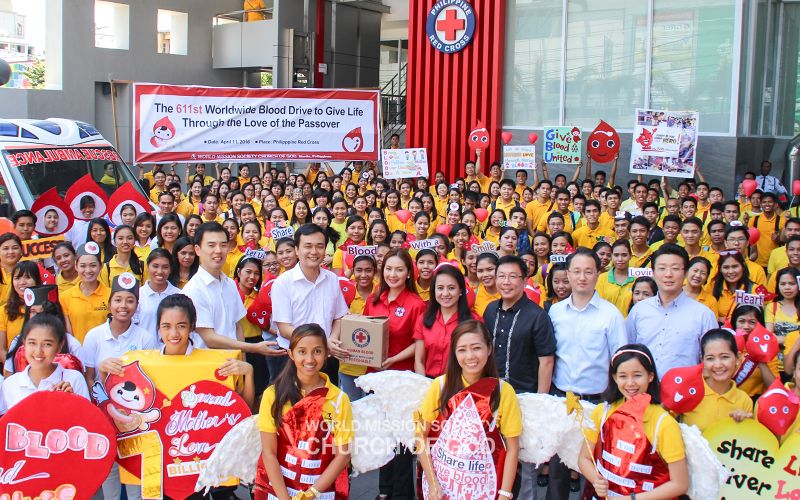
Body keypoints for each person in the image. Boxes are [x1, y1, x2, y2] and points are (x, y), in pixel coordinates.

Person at [546, 248, 628, 498]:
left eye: (588, 272)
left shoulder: (611, 315)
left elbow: (620, 359)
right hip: (563, 398)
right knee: (558, 465)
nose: (582, 277)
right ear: (567, 274)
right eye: (577, 272)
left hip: (598, 401)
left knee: (595, 467)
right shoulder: (555, 311)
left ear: (598, 274)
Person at [417, 320, 520, 500]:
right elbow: (421, 436)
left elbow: (512, 448)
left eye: (476, 348)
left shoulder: (503, 392)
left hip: (484, 488)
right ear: (454, 354)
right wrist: (433, 484)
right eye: (462, 350)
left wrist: (504, 494)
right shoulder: (440, 386)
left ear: (489, 349)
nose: (470, 356)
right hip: (443, 487)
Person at [483, 254, 555, 498]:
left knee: (525, 463)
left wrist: (540, 402)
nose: (506, 281)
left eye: (513, 276)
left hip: (525, 398)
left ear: (525, 281)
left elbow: (546, 361)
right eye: (501, 276)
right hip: (494, 396)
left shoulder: (537, 316)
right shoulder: (491, 310)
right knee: (495, 455)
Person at [254, 324, 352, 500]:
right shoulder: (273, 395)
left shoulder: (338, 399)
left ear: (327, 353)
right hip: (279, 489)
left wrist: (312, 493)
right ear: (291, 354)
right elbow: (269, 452)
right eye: (302, 351)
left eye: (317, 351)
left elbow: (343, 455)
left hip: (321, 490)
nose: (310, 359)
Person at [578, 344, 689, 499]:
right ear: (615, 378)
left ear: (650, 376)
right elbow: (584, 458)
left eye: (637, 375)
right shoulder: (602, 412)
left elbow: (680, 484)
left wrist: (632, 498)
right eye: (623, 376)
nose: (630, 383)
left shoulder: (664, 424)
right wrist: (596, 480)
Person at [364, 248, 426, 500]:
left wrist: (392, 359)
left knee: (402, 440)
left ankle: (402, 494)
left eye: (399, 269)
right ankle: (384, 490)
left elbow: (418, 341)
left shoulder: (417, 304)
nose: (393, 274)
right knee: (382, 435)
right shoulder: (374, 300)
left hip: (402, 377)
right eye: (388, 269)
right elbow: (366, 334)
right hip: (376, 378)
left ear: (408, 273)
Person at [181, 222, 278, 355]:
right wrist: (252, 348)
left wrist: (242, 361)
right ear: (197, 249)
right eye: (211, 245)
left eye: (223, 245)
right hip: (208, 367)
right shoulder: (193, 290)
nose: (218, 250)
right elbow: (209, 338)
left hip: (234, 365)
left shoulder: (230, 284)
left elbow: (237, 327)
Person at [627, 244, 717, 378]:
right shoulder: (639, 311)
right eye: (662, 268)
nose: (668, 274)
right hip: (644, 393)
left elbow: (711, 361)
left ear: (685, 273)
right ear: (653, 272)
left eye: (675, 269)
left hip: (685, 392)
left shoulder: (703, 315)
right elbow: (629, 351)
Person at [272, 224, 350, 371]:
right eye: (308, 246)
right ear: (296, 249)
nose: (314, 252)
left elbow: (339, 316)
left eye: (319, 246)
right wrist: (322, 342)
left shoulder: (332, 279)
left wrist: (332, 339)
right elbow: (284, 329)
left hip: (327, 356)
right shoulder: (283, 283)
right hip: (295, 357)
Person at [1, 314, 89, 413]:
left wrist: (71, 401)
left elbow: (86, 423)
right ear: (24, 343)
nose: (38, 351)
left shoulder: (74, 379)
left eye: (47, 344)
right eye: (32, 343)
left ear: (60, 346)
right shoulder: (10, 384)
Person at [413, 263, 481, 378]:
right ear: (433, 291)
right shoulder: (423, 319)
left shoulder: (473, 322)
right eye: (440, 288)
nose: (445, 294)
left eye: (451, 288)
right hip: (428, 382)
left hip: (459, 384)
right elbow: (419, 360)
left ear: (460, 291)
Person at [679, 329, 754, 432]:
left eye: (724, 357)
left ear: (738, 358)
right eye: (710, 358)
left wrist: (746, 424)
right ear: (702, 361)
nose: (718, 365)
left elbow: (747, 440)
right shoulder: (688, 392)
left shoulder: (745, 401)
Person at [60, 242, 111, 343]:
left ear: (101, 266)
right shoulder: (65, 297)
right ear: (76, 266)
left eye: (93, 265)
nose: (88, 270)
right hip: (79, 353)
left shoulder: (111, 295)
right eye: (83, 266)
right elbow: (68, 334)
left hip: (106, 353)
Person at [135, 249, 179, 336]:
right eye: (155, 266)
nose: (160, 271)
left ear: (171, 269)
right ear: (147, 267)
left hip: (171, 348)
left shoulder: (179, 295)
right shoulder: (138, 295)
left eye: (165, 267)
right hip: (143, 348)